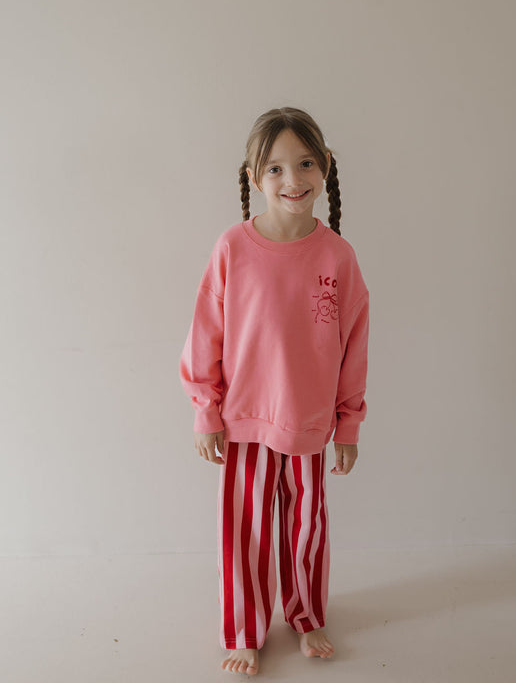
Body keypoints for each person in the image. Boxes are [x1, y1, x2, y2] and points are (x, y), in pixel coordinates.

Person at [180, 106, 369, 675]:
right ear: (253, 176)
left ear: (325, 166)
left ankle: (308, 616)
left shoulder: (338, 255)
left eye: (306, 163)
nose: (293, 181)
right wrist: (205, 411)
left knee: (307, 529)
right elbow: (204, 335)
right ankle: (243, 629)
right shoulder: (233, 248)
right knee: (246, 534)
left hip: (310, 425)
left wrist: (348, 423)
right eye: (276, 169)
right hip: (243, 424)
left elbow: (353, 343)